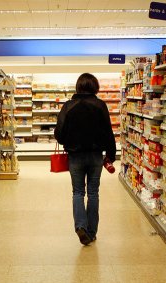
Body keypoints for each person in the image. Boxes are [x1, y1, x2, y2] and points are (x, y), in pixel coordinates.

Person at [54, 73, 116, 246]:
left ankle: (80, 226)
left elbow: (59, 133)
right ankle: (91, 232)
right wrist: (110, 156)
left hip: (75, 156)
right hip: (96, 155)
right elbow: (108, 133)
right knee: (93, 193)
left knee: (78, 192)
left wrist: (69, 142)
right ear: (95, 87)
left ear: (78, 87)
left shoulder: (68, 106)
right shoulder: (100, 105)